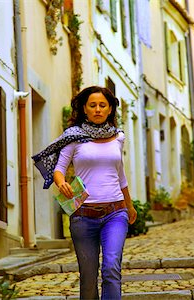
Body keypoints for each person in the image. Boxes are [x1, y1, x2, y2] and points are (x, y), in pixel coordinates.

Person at [32, 86, 137, 299]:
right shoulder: (74, 137)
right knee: (88, 276)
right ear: (85, 109)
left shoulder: (118, 138)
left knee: (111, 268)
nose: (98, 109)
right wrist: (61, 183)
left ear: (110, 110)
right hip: (83, 216)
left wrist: (129, 205)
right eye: (93, 105)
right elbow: (59, 169)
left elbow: (120, 174)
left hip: (115, 212)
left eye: (102, 105)